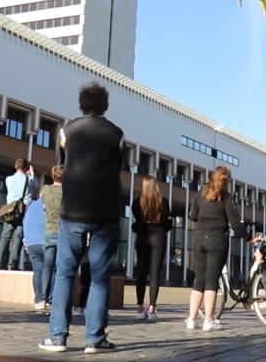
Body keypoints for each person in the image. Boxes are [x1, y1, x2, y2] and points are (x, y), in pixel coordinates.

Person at [39, 82, 124, 353]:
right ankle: (95, 339)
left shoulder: (66, 130)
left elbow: (60, 159)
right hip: (106, 212)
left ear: (81, 105)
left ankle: (57, 338)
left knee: (64, 273)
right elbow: (117, 163)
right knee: (99, 276)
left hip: (73, 208)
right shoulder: (117, 134)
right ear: (105, 106)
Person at [185, 166, 257, 332]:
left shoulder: (200, 194)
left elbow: (193, 216)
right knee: (211, 280)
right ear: (227, 181)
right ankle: (208, 320)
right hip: (217, 239)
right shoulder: (226, 198)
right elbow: (235, 223)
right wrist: (249, 238)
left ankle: (191, 319)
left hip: (198, 238)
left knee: (199, 279)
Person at [131, 175, 172, 321]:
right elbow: (167, 220)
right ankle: (152, 309)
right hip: (159, 238)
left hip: (142, 237)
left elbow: (136, 217)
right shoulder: (163, 202)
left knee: (141, 273)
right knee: (154, 274)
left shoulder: (137, 202)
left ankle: (140, 309)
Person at [0, 158, 37, 270]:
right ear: (26, 168)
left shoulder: (8, 179)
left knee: (5, 237)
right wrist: (32, 174)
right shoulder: (29, 180)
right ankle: (11, 265)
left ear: (15, 166)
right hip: (22, 212)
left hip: (10, 212)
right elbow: (36, 186)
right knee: (18, 238)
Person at [41, 166, 64, 307]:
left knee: (47, 266)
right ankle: (54, 298)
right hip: (62, 231)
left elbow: (44, 208)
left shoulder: (45, 190)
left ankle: (43, 298)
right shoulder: (67, 192)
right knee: (59, 267)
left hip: (48, 230)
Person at [23, 188, 48, 310]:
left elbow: (24, 222)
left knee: (38, 271)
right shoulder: (49, 204)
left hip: (31, 243)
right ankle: (48, 298)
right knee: (51, 269)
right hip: (45, 241)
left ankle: (38, 300)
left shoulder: (31, 206)